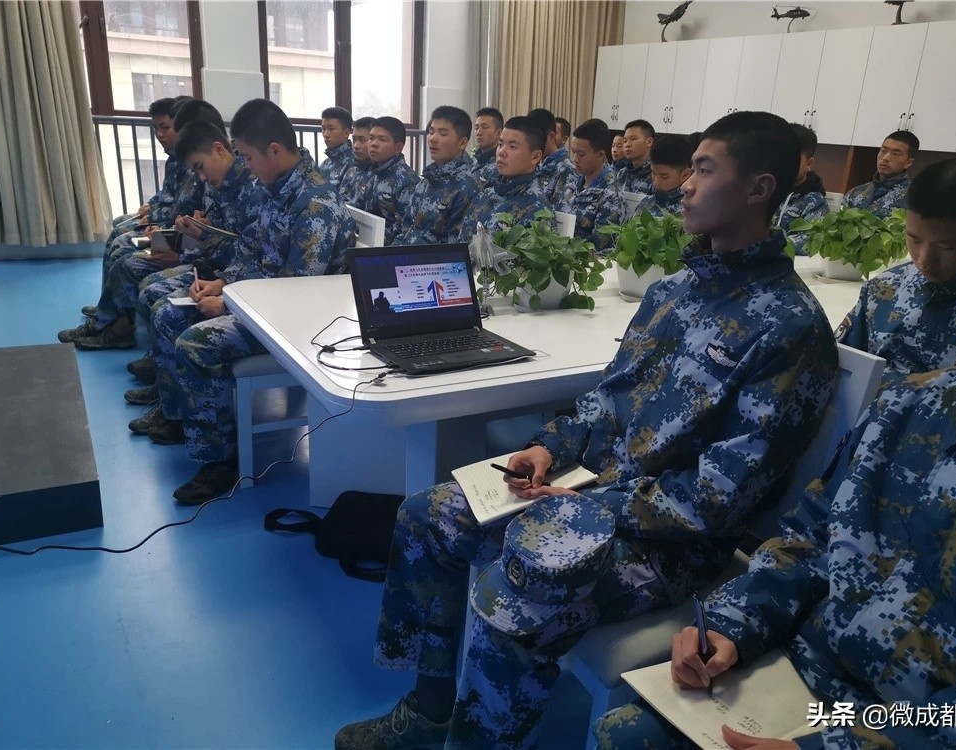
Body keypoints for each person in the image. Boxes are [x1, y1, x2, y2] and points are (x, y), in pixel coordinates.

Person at [334, 111, 839, 750]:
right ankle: (430, 707)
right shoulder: (676, 290)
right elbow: (608, 397)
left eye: (705, 170)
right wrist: (552, 447)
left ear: (759, 189)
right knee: (425, 516)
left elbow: (720, 497)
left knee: (520, 590)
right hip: (584, 492)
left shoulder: (790, 328)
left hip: (666, 543)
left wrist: (588, 499)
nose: (684, 184)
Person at [595, 241, 956, 750]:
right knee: (628, 737)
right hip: (811, 680)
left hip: (910, 726)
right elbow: (812, 534)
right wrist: (731, 624)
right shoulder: (914, 402)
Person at [147, 99, 356, 503]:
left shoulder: (314, 205)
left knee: (195, 344)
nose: (244, 164)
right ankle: (188, 420)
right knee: (173, 316)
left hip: (300, 324)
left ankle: (220, 462)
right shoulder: (273, 191)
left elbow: (297, 291)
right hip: (263, 305)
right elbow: (253, 254)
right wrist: (222, 283)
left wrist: (229, 302)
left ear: (274, 151)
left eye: (246, 155)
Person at [123, 120, 269, 420]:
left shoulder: (255, 189)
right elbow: (237, 247)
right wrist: (196, 237)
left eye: (201, 167)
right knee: (155, 294)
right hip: (223, 275)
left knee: (168, 313)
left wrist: (223, 288)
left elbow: (259, 260)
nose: (201, 177)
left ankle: (180, 414)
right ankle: (170, 399)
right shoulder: (222, 184)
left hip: (250, 293)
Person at [59, 98, 220, 351]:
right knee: (121, 237)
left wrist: (179, 251)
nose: (163, 135)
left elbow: (219, 239)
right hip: (189, 243)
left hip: (194, 251)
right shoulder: (195, 165)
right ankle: (109, 313)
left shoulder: (212, 172)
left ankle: (115, 324)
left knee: (127, 257)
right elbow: (178, 207)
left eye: (168, 127)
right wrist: (156, 217)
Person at [837, 157, 956, 382]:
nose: (925, 260)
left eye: (946, 246)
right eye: (913, 239)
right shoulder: (883, 289)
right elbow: (839, 366)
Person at [395, 106, 479, 246]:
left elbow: (455, 247)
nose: (433, 139)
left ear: (462, 143)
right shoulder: (427, 181)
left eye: (443, 134)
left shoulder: (468, 187)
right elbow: (406, 228)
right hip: (406, 260)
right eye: (431, 132)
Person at [459, 116, 555, 237]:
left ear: (535, 157)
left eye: (512, 147)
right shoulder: (487, 194)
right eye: (500, 144)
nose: (501, 152)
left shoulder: (539, 213)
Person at [565, 118, 626, 254]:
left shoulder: (611, 196)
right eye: (573, 152)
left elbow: (601, 250)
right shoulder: (572, 185)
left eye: (581, 154)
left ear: (600, 155)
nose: (575, 159)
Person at [363, 116, 420, 245]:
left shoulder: (406, 181)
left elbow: (405, 228)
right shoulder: (373, 172)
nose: (374, 144)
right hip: (368, 241)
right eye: (371, 138)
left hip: (389, 249)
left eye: (382, 139)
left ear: (398, 147)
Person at [773, 123, 828, 255]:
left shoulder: (814, 201)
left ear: (809, 163)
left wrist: (770, 244)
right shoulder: (766, 191)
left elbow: (811, 239)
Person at [842, 130, 918, 218]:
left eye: (895, 154)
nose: (886, 158)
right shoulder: (854, 194)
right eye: (883, 151)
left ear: (908, 163)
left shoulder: (914, 199)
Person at [527, 108, 578, 212]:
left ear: (551, 136)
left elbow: (562, 218)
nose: (533, 145)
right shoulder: (536, 164)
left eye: (538, 139)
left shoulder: (566, 170)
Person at [634, 133, 694, 217]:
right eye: (653, 173)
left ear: (685, 175)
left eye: (664, 176)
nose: (656, 182)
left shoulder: (692, 209)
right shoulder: (646, 203)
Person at [341, 116, 375, 208]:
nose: (355, 146)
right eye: (354, 140)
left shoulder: (379, 176)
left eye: (362, 140)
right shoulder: (351, 171)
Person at [319, 106, 355, 192]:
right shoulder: (325, 163)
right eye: (323, 129)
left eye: (331, 129)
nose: (326, 134)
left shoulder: (353, 164)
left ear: (346, 132)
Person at [615, 119, 656, 194]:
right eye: (625, 141)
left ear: (649, 142)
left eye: (633, 139)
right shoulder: (622, 174)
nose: (627, 144)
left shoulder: (656, 174)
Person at [472, 107, 504, 191]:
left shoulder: (501, 165)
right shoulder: (476, 160)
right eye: (476, 128)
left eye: (484, 127)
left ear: (499, 133)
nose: (478, 132)